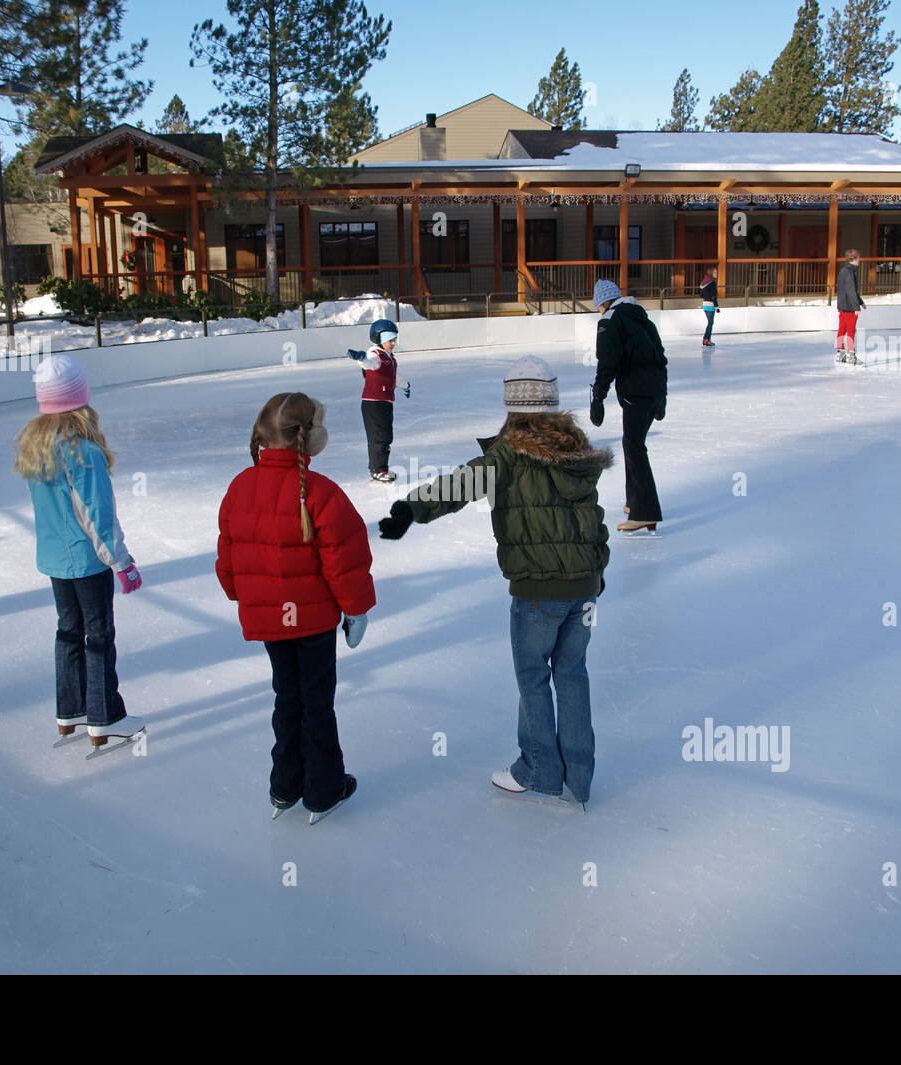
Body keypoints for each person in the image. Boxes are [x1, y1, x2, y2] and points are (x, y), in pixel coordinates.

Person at [377, 357, 610, 809]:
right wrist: (596, 576)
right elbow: (593, 521)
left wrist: (411, 508)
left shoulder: (508, 453)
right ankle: (579, 779)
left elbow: (461, 484)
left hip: (537, 590)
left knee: (533, 677)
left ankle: (540, 771)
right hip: (584, 587)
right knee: (572, 674)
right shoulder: (577, 451)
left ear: (512, 404)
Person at [216, 392, 376, 823]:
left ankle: (285, 785)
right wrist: (356, 610)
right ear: (310, 439)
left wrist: (245, 595)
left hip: (271, 619)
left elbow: (228, 554)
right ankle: (323, 789)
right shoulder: (322, 492)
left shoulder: (240, 487)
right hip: (314, 622)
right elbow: (345, 560)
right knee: (315, 702)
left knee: (287, 697)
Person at [13, 355, 145, 751]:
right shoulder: (82, 452)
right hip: (86, 561)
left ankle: (70, 709)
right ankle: (106, 717)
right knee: (99, 633)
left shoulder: (35, 447)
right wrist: (121, 562)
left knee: (68, 630)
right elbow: (96, 516)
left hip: (55, 561)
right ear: (81, 401)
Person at [587, 278, 667, 533]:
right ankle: (635, 503)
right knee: (632, 444)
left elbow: (607, 362)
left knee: (634, 447)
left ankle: (645, 512)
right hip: (653, 390)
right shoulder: (643, 319)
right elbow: (660, 357)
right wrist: (662, 396)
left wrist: (598, 396)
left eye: (598, 306)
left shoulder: (610, 321)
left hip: (636, 392)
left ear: (603, 302)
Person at [347, 318, 401, 482]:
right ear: (379, 339)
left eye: (394, 339)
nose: (392, 343)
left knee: (386, 436)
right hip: (373, 403)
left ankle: (379, 468)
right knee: (379, 437)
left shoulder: (389, 358)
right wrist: (361, 358)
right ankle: (378, 470)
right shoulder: (375, 355)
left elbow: (393, 376)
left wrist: (405, 385)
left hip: (385, 402)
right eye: (388, 340)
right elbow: (368, 363)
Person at [835, 249, 866, 365]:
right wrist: (856, 307)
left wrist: (860, 302)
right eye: (858, 258)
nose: (859, 260)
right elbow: (851, 291)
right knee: (851, 331)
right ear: (853, 259)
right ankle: (851, 356)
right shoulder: (849, 273)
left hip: (842, 306)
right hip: (849, 308)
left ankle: (840, 353)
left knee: (842, 329)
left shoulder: (844, 271)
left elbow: (850, 290)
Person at [700, 267, 720, 347]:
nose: (716, 274)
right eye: (715, 272)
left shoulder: (704, 282)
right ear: (711, 273)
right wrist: (717, 307)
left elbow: (700, 295)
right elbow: (714, 296)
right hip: (711, 305)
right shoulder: (712, 283)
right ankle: (707, 340)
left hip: (705, 304)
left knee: (710, 322)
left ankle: (706, 339)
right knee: (710, 323)